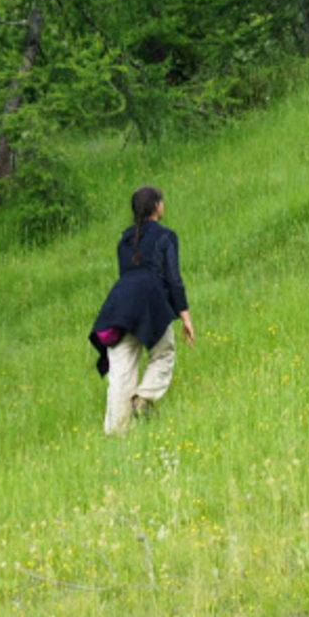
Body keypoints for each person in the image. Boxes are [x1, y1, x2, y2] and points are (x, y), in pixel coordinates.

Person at [89, 185, 196, 435]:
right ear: (157, 206)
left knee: (121, 371)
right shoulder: (166, 237)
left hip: (119, 305)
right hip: (150, 300)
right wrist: (186, 317)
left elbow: (127, 275)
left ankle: (116, 431)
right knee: (164, 352)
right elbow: (174, 279)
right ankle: (143, 398)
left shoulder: (123, 241)